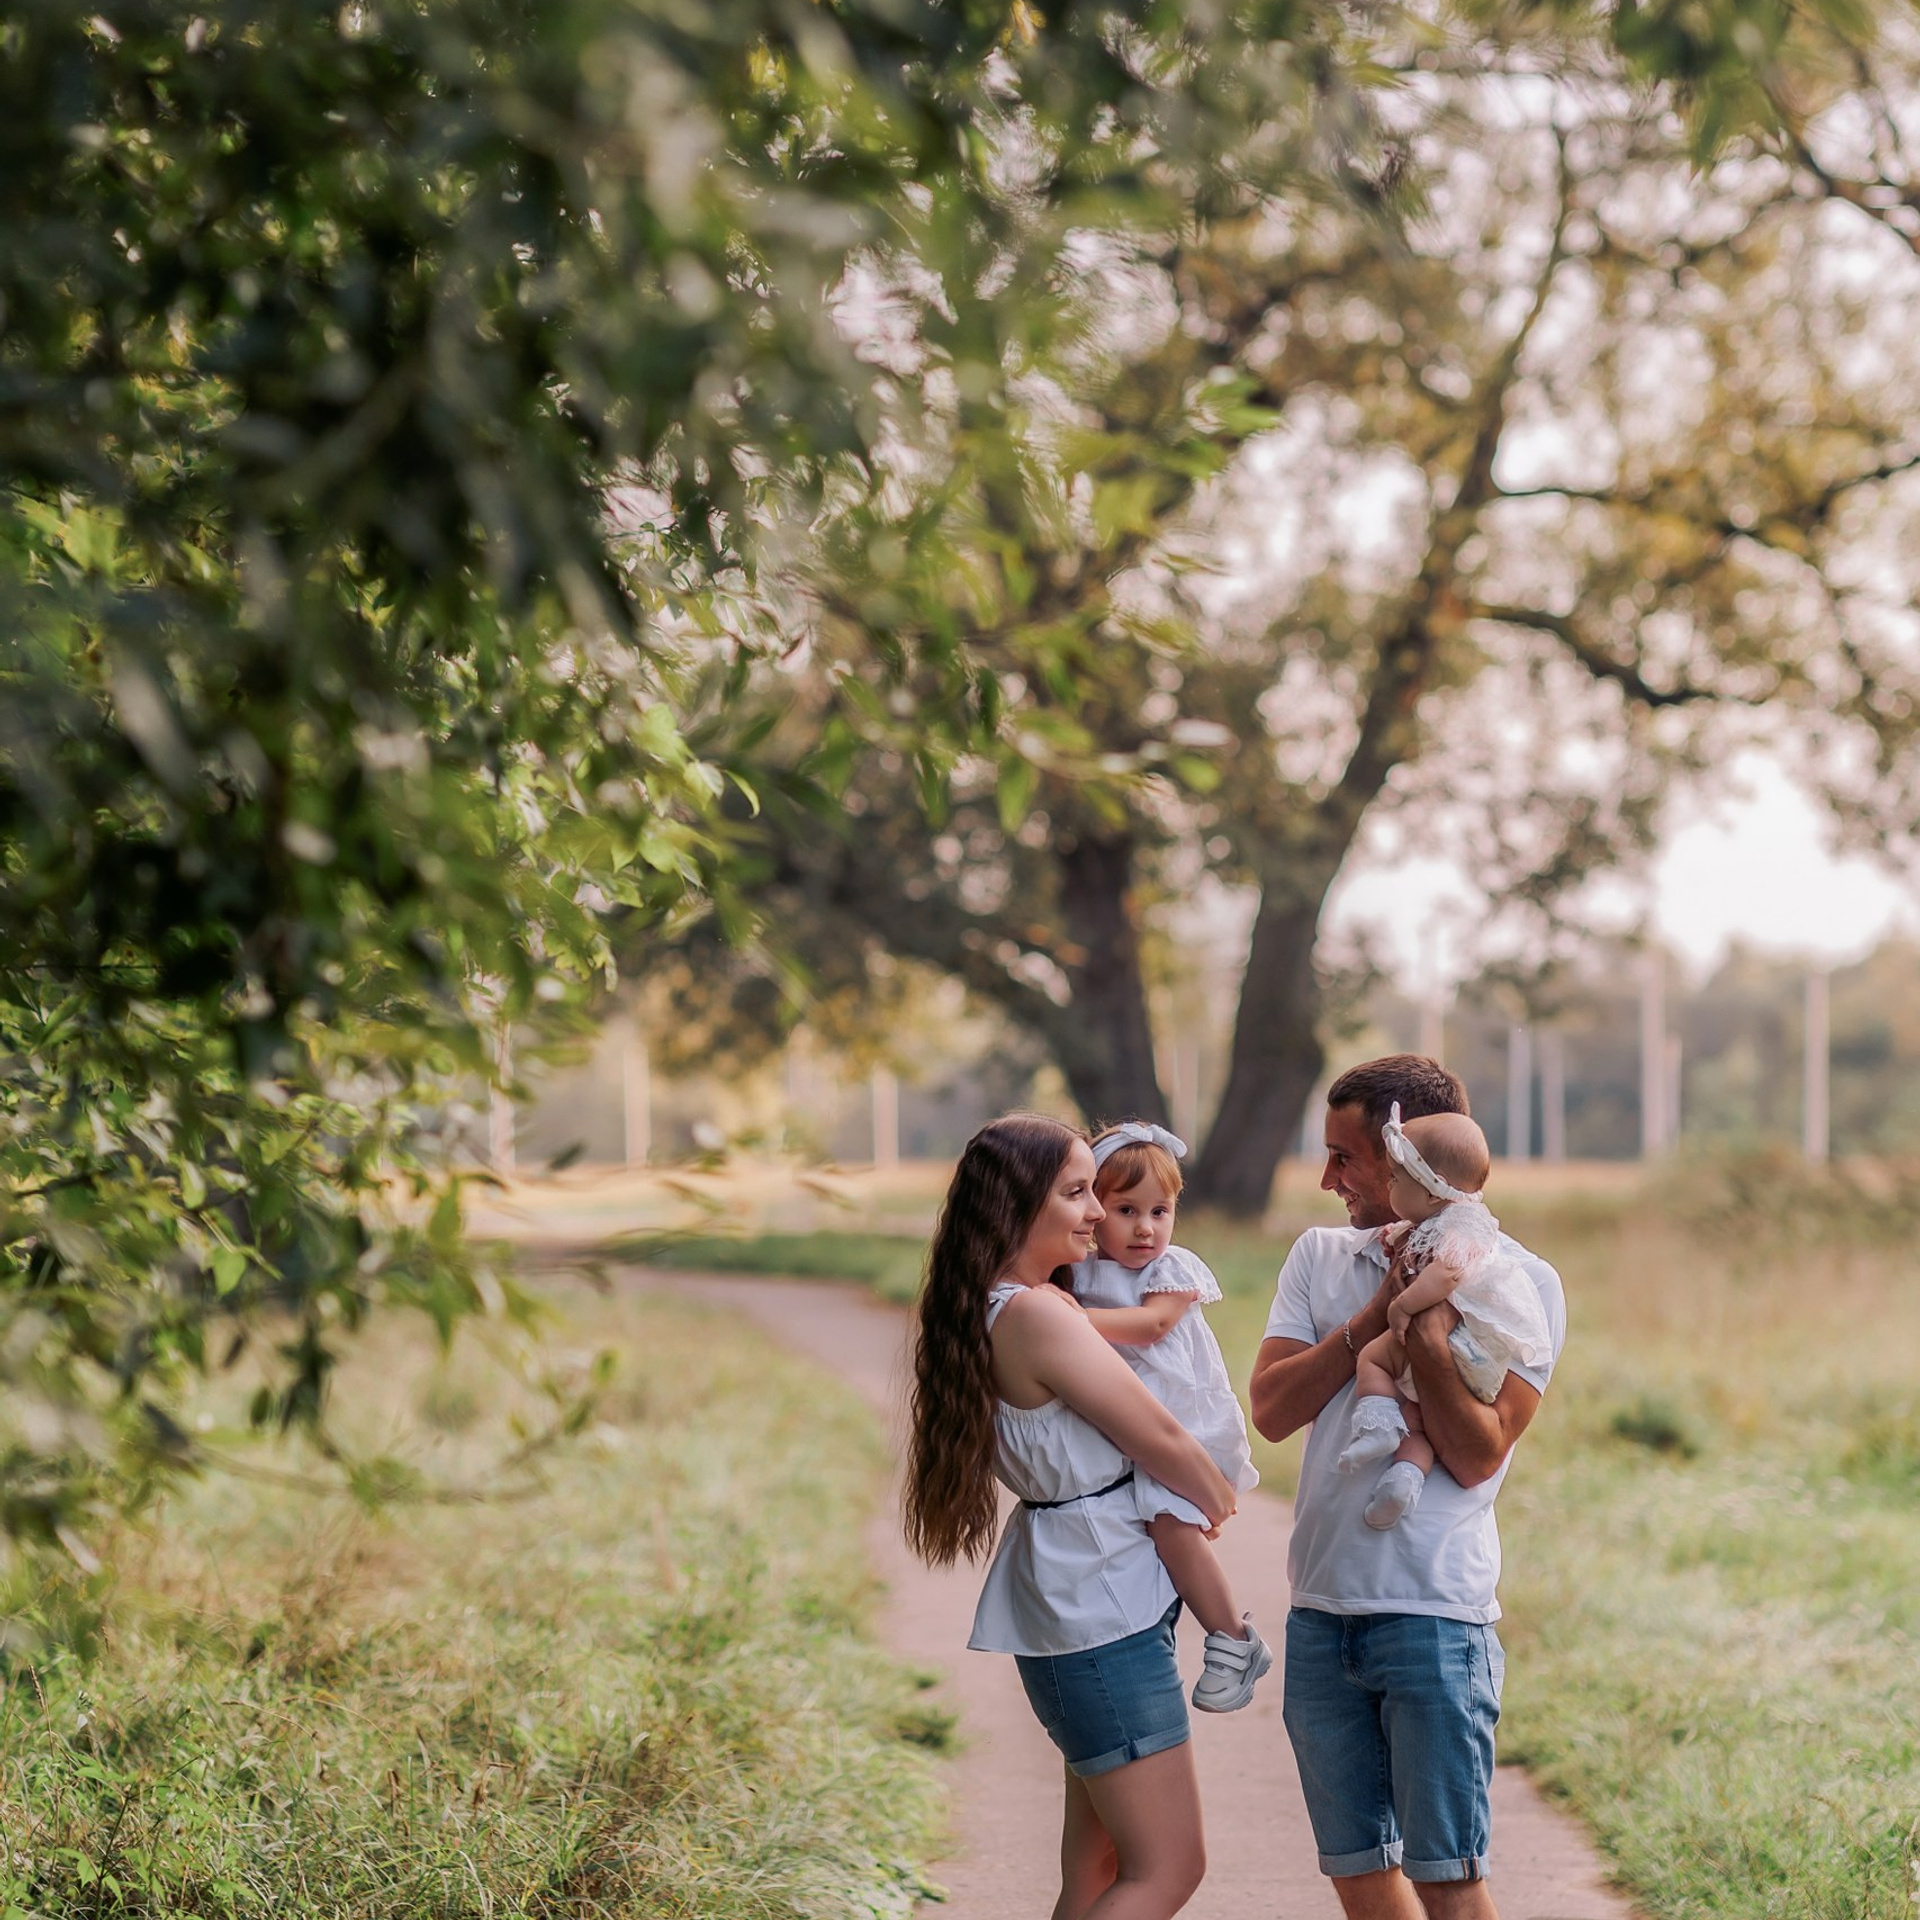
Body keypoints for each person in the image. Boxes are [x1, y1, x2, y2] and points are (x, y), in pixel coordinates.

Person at [1248, 1056, 1566, 1920]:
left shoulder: (1518, 1284)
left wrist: (1422, 1328)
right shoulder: (1320, 1257)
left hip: (1435, 1618)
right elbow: (1273, 1411)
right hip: (1320, 1613)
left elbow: (1476, 1453)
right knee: (1356, 1871)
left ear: (1408, 1158)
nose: (1328, 1180)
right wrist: (1374, 1313)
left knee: (1447, 1878)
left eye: (1347, 1158)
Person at [905, 1113, 1237, 1920]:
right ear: (1020, 1204)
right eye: (1078, 1192)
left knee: (1099, 1870)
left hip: (1087, 1595)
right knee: (1167, 1868)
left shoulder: (1005, 1303)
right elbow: (1154, 1432)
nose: (1098, 1211)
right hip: (1096, 1610)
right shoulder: (1039, 1315)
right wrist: (1215, 1492)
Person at [1072, 1120, 1272, 1711]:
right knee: (1141, 1527)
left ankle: (1233, 1637)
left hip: (1186, 1423)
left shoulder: (1170, 1270)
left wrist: (1068, 1319)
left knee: (1171, 1526)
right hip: (1133, 1430)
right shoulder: (1080, 1273)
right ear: (1092, 1211)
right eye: (1126, 1209)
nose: (1146, 1227)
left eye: (1160, 1211)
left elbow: (1151, 1326)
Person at [1335, 1106, 1554, 1532]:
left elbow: (1445, 1273)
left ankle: (1377, 1423)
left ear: (1434, 1193)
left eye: (1397, 1180)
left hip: (1461, 1349)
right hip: (1467, 1356)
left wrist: (1400, 1306)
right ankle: (1404, 1480)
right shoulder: (1448, 1220)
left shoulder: (1459, 1229)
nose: (1389, 1185)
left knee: (1374, 1360)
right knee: (1419, 1419)